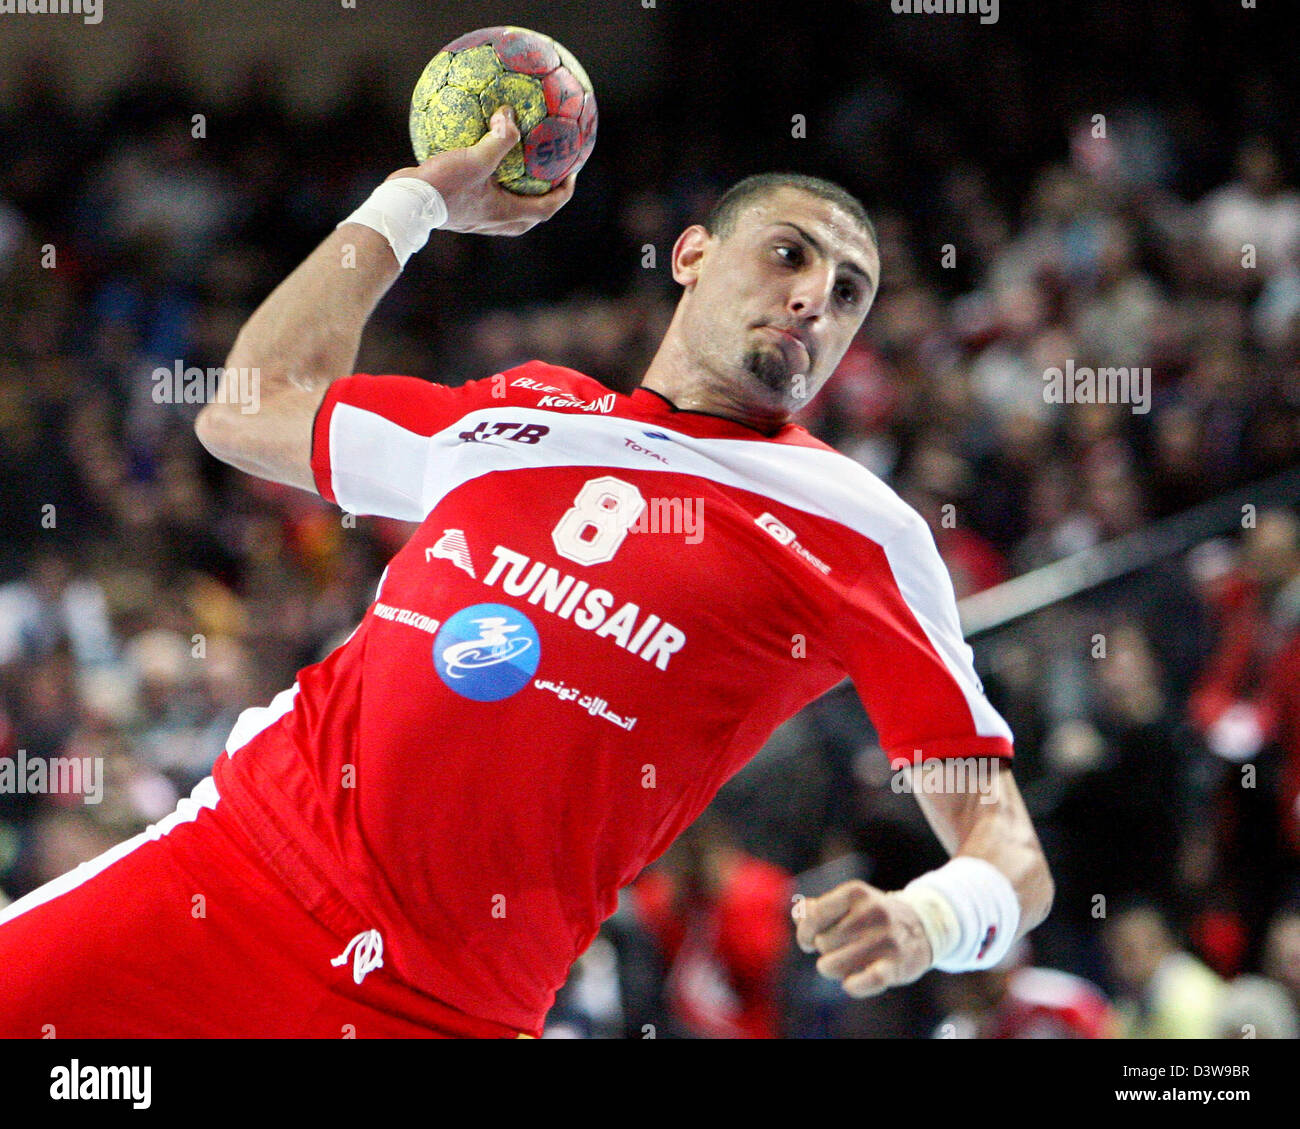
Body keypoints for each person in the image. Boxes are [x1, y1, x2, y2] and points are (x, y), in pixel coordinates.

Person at [0, 105, 1053, 1037]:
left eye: (849, 289)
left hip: (447, 1007)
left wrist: (930, 921)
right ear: (691, 254)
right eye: (788, 255)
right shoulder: (521, 414)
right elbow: (249, 407)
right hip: (231, 872)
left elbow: (1008, 852)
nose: (814, 297)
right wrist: (412, 202)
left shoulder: (860, 527)